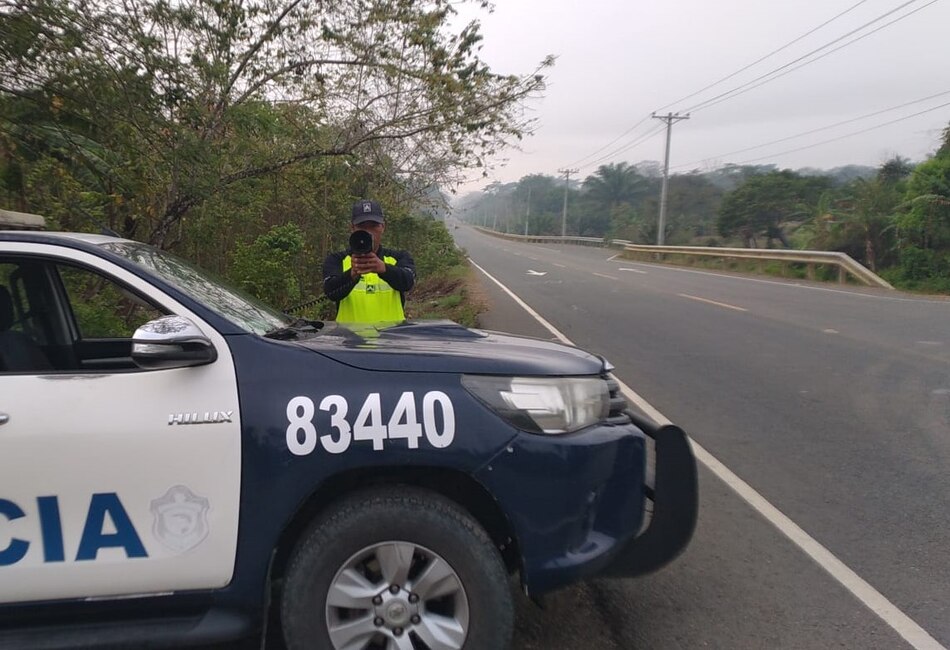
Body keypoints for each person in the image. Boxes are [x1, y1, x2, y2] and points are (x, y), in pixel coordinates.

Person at [322, 200, 415, 323]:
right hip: (350, 339)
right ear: (352, 228)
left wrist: (384, 269)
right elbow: (331, 292)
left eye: (373, 225)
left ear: (383, 227)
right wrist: (351, 275)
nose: (368, 232)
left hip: (391, 339)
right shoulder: (337, 260)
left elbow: (408, 282)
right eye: (362, 226)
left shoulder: (399, 258)